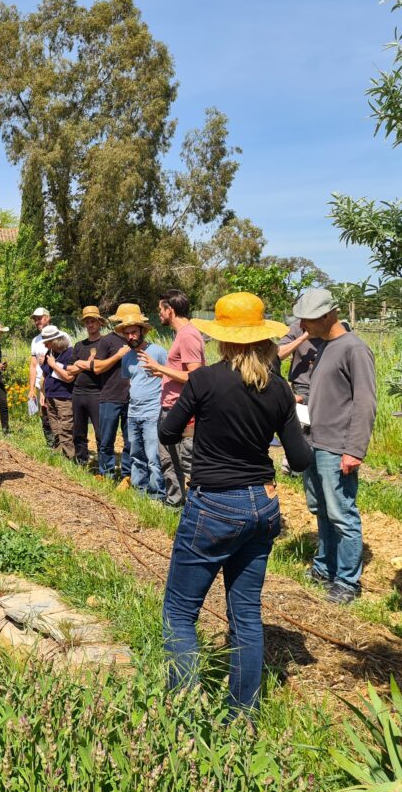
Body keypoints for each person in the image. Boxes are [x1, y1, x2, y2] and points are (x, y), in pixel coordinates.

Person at [160, 292, 312, 714]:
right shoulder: (280, 388)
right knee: (245, 616)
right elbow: (299, 459)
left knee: (179, 613)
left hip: (215, 503)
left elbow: (170, 432)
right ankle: (242, 717)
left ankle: (184, 712)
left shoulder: (206, 380)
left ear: (223, 338)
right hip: (262, 505)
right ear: (263, 338)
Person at [293, 288, 377, 605]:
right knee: (322, 511)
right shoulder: (325, 347)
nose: (302, 326)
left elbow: (365, 402)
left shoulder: (354, 349)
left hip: (336, 446)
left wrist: (354, 449)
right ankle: (324, 567)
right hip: (315, 442)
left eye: (308, 320)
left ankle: (346, 582)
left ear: (329, 315)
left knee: (342, 514)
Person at [141, 289, 206, 507]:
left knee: (187, 460)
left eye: (160, 309)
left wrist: (160, 367)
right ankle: (175, 502)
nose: (158, 313)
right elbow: (182, 370)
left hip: (182, 410)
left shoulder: (188, 335)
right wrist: (162, 372)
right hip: (170, 408)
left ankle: (201, 507)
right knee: (169, 459)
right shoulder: (182, 334)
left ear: (170, 310)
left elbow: (195, 376)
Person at [115, 309, 168, 500]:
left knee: (154, 456)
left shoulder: (158, 352)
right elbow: (131, 381)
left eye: (134, 332)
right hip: (133, 412)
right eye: (127, 333)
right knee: (136, 455)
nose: (131, 336)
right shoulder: (127, 358)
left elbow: (170, 376)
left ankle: (157, 495)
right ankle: (139, 491)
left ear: (142, 331)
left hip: (153, 411)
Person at [92, 303, 140, 483]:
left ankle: (127, 476)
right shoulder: (107, 341)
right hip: (110, 396)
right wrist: (118, 356)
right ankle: (106, 473)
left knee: (130, 441)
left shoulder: (136, 340)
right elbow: (97, 368)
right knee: (106, 440)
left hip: (133, 398)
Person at [66, 306, 105, 468]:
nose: (90, 324)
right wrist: (86, 364)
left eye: (93, 321)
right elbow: (69, 369)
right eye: (87, 322)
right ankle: (81, 460)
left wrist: (80, 364)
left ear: (99, 323)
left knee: (100, 431)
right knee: (79, 430)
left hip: (97, 392)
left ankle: (103, 463)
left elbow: (100, 367)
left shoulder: (105, 343)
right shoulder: (79, 345)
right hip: (78, 392)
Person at [40, 325, 76, 459]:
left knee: (66, 428)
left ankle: (71, 458)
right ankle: (60, 456)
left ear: (56, 341)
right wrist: (43, 394)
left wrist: (54, 364)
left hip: (64, 397)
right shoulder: (50, 353)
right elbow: (45, 375)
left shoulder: (70, 353)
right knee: (55, 428)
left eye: (47, 342)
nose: (45, 344)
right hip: (50, 396)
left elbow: (68, 377)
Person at [29, 307, 57, 447]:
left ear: (47, 317)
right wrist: (32, 389)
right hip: (42, 386)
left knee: (59, 416)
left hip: (57, 383)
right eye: (35, 319)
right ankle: (51, 447)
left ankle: (63, 448)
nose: (37, 321)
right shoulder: (35, 340)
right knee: (45, 417)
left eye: (39, 318)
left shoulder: (59, 335)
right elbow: (33, 366)